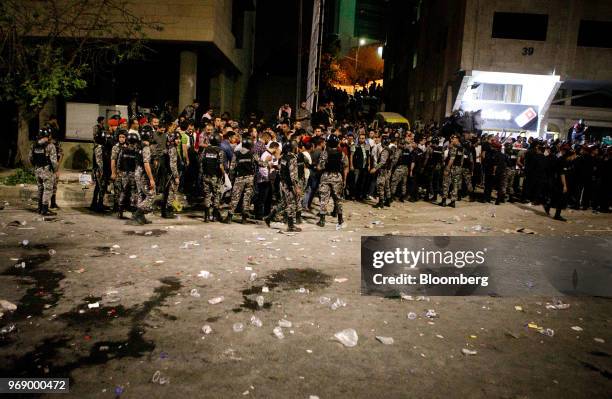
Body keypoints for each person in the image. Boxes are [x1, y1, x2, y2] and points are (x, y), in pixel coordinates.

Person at [265, 141, 302, 232]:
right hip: (289, 185)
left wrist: (274, 166)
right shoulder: (292, 158)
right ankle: (291, 226)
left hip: (283, 183)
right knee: (291, 204)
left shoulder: (283, 157)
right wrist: (296, 187)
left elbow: (281, 168)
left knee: (284, 203)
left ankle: (269, 217)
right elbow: (293, 175)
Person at [224, 136, 261, 223]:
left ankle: (229, 217)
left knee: (235, 198)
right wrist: (268, 162)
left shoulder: (236, 153)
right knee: (246, 198)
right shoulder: (253, 153)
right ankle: (244, 219)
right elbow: (261, 163)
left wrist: (232, 179)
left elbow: (232, 167)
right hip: (250, 178)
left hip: (239, 178)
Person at [316, 134, 348, 227]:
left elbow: (320, 167)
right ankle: (340, 220)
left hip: (326, 177)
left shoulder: (325, 153)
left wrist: (316, 167)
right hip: (337, 177)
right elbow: (346, 166)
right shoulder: (341, 153)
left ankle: (322, 220)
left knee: (323, 198)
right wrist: (344, 179)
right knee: (338, 199)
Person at [29, 128, 58, 216]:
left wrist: (35, 166)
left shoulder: (34, 145)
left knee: (40, 189)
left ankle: (39, 208)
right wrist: (55, 170)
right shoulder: (50, 145)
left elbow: (30, 158)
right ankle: (45, 210)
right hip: (47, 170)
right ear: (48, 136)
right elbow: (53, 161)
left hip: (37, 169)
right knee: (48, 189)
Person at [132, 126, 155, 224]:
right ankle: (138, 213)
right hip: (143, 174)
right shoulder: (145, 148)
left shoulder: (138, 145)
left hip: (137, 172)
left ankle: (141, 218)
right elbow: (146, 164)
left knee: (141, 195)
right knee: (151, 195)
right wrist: (151, 179)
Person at [200, 133, 225, 222]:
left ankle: (206, 217)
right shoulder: (220, 151)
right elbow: (221, 165)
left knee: (207, 195)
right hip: (216, 177)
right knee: (216, 195)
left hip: (206, 176)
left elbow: (201, 161)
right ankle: (214, 216)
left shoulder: (205, 150)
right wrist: (224, 175)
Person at [116, 131, 139, 220]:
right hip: (133, 174)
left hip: (124, 174)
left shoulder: (123, 150)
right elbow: (138, 165)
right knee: (134, 192)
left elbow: (119, 163)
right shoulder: (136, 152)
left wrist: (119, 173)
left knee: (123, 191)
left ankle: (120, 212)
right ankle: (133, 213)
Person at [438, 134, 464, 208]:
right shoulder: (461, 148)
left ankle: (443, 201)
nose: (452, 140)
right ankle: (453, 202)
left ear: (457, 139)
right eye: (451, 139)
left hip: (451, 168)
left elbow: (451, 159)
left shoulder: (454, 148)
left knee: (446, 183)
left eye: (453, 139)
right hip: (458, 169)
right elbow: (462, 160)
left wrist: (447, 169)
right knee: (455, 185)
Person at [90, 123, 111, 212]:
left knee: (99, 187)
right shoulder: (99, 148)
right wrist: (102, 173)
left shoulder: (101, 147)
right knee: (101, 187)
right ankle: (98, 204)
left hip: (100, 171)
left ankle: (97, 203)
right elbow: (99, 162)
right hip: (99, 171)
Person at [161, 132, 181, 219]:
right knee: (171, 192)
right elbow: (173, 165)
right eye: (177, 139)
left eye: (179, 139)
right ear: (172, 140)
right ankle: (167, 211)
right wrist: (176, 176)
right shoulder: (172, 149)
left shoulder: (169, 148)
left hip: (167, 174)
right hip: (171, 175)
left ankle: (164, 211)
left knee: (167, 192)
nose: (179, 141)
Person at [371, 135, 392, 208]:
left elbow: (382, 162)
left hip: (383, 170)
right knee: (387, 186)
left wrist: (375, 168)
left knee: (380, 185)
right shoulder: (390, 149)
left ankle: (381, 202)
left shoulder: (385, 151)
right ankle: (388, 201)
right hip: (388, 170)